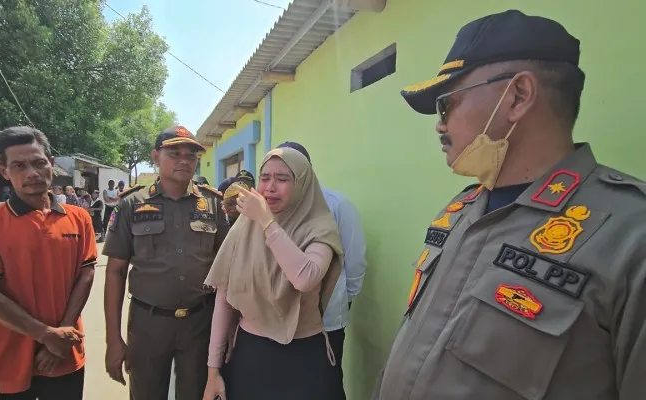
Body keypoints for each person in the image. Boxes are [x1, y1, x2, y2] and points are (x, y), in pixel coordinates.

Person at [373, 9, 646, 400]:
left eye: (446, 103)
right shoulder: (462, 209)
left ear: (517, 96)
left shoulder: (630, 237)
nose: (439, 124)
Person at [203, 147, 344, 400]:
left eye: (282, 179)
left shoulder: (320, 227)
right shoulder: (244, 227)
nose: (270, 187)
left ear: (302, 183)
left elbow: (305, 278)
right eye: (265, 177)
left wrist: (268, 223)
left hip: (304, 357)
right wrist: (213, 371)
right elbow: (224, 299)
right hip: (251, 353)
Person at [103, 125, 229, 400]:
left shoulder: (213, 204)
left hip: (200, 322)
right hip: (149, 323)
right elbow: (115, 272)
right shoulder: (131, 204)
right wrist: (113, 339)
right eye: (174, 153)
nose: (184, 160)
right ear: (156, 156)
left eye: (191, 155)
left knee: (197, 394)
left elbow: (228, 269)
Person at [0, 126, 97, 399]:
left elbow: (86, 275)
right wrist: (46, 335)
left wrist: (60, 339)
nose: (32, 173)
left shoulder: (79, 217)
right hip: (6, 356)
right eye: (19, 166)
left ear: (52, 164)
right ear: (3, 171)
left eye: (39, 163)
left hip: (65, 351)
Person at [277, 141, 367, 399]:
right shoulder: (271, 209)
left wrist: (340, 302)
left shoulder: (337, 205)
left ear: (308, 170)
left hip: (326, 320)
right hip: (281, 321)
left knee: (325, 386)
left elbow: (355, 260)